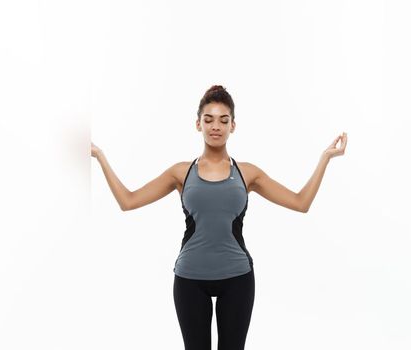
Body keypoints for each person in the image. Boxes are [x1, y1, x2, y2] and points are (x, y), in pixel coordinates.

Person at [90, 84, 347, 350]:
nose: (216, 126)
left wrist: (325, 158)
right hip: (190, 279)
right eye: (208, 119)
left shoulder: (248, 173)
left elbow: (300, 202)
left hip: (237, 278)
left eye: (223, 120)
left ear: (233, 125)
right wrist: (100, 156)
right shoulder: (180, 173)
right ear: (198, 124)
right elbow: (128, 201)